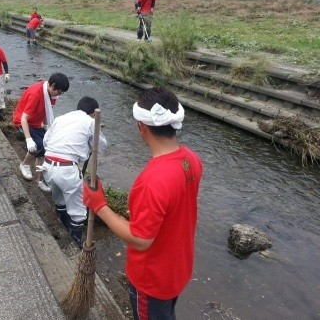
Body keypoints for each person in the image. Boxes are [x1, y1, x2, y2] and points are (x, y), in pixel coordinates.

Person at [83, 87, 203, 320]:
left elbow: (140, 240)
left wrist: (99, 205)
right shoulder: (192, 159)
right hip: (178, 267)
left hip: (153, 279)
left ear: (142, 126)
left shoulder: (151, 181)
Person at [41, 96, 107, 247]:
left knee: (59, 200)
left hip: (47, 165)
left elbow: (46, 141)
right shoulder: (91, 122)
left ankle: (64, 228)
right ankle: (75, 241)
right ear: (93, 113)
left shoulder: (61, 117)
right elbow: (101, 146)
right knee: (78, 212)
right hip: (67, 170)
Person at [13, 73, 70, 192]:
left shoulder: (50, 93)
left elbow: (46, 110)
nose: (59, 95)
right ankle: (24, 165)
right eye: (59, 92)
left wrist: (45, 126)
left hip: (36, 122)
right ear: (52, 85)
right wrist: (29, 140)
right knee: (38, 144)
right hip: (24, 121)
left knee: (45, 149)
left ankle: (37, 179)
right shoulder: (36, 94)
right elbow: (24, 118)